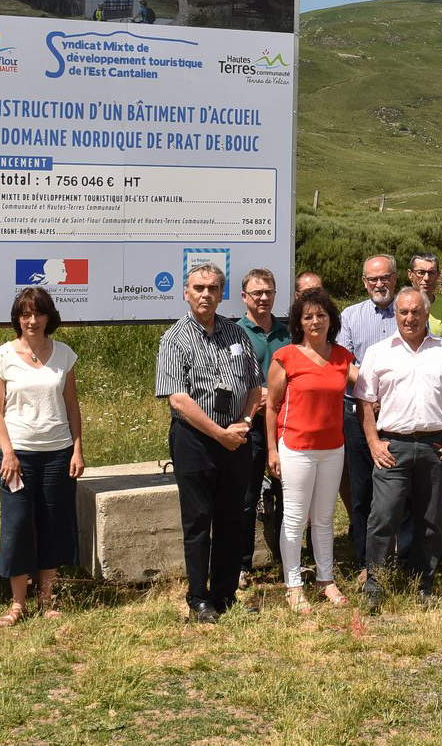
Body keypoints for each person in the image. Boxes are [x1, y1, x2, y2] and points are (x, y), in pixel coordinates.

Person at [157, 263, 264, 623]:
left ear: (222, 293)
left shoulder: (237, 334)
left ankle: (225, 592)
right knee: (199, 519)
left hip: (237, 437)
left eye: (213, 288)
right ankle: (198, 598)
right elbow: (178, 399)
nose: (206, 294)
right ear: (185, 292)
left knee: (233, 517)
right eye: (199, 288)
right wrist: (219, 434)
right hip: (196, 441)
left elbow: (254, 386)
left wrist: (245, 423)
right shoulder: (174, 339)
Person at [358, 289, 442, 610]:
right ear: (396, 315)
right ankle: (376, 583)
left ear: (426, 313)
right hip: (392, 445)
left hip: (436, 444)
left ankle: (424, 582)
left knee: (431, 518)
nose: (410, 318)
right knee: (383, 515)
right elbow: (364, 401)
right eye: (404, 312)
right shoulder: (379, 352)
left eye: (416, 312)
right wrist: (373, 442)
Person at [0, 286, 85, 626]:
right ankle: (17, 604)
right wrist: (8, 452)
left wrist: (77, 449)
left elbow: (71, 406)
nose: (31, 320)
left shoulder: (64, 355)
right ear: (18, 318)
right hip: (18, 456)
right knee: (17, 526)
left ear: (48, 317)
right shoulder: (1, 357)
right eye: (25, 314)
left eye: (38, 313)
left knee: (53, 525)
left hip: (57, 454)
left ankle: (47, 599)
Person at [264, 287, 354, 613]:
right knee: (295, 518)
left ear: (331, 320)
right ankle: (293, 585)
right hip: (296, 448)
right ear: (298, 323)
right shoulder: (285, 357)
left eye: (321, 315)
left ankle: (326, 580)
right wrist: (273, 451)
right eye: (308, 316)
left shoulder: (343, 356)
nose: (315, 321)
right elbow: (271, 407)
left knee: (325, 518)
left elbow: (371, 383)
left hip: (333, 448)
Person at [335, 255, 401, 567]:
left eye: (384, 277)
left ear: (394, 278)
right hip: (358, 413)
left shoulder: (408, 310)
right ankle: (366, 562)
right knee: (362, 491)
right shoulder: (350, 316)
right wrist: (371, 391)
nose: (379, 284)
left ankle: (400, 556)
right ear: (364, 282)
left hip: (399, 412)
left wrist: (384, 393)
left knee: (399, 489)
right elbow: (343, 363)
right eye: (373, 279)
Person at [231, 269, 292, 586]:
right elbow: (229, 378)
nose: (264, 298)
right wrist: (258, 392)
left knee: (288, 494)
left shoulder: (287, 334)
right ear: (245, 297)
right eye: (257, 293)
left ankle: (288, 562)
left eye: (269, 292)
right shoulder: (234, 334)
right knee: (247, 495)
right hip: (250, 426)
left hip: (286, 425)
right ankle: (241, 565)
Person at [409, 252, 442, 339]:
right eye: (421, 272)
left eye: (431, 273)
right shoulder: (398, 306)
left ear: (438, 275)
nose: (426, 278)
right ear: (410, 274)